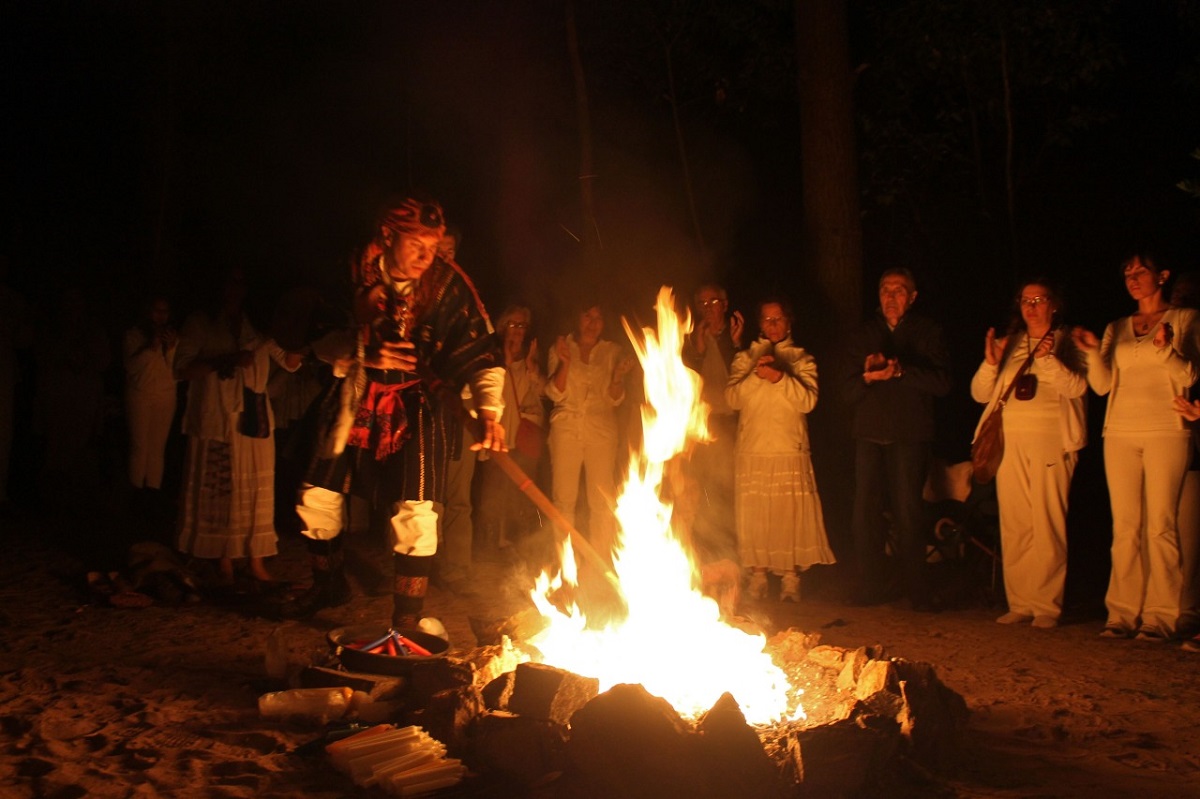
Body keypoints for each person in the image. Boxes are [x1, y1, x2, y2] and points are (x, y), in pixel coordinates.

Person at [285, 194, 505, 630]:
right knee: (317, 495)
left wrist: (489, 412)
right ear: (387, 236)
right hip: (354, 395)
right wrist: (362, 351)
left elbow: (481, 350)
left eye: (434, 245)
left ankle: (407, 618)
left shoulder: (447, 285)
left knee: (417, 508)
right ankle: (327, 585)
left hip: (416, 405)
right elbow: (313, 334)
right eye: (417, 244)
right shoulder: (350, 273)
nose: (429, 256)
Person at [1073, 252, 1199, 642]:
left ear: (1162, 276)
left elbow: (1190, 372)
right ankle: (1123, 613)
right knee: (1126, 526)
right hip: (1121, 431)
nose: (1132, 278)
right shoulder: (1118, 326)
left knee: (1160, 525)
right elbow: (1103, 384)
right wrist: (1093, 352)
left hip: (1166, 428)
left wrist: (1164, 349)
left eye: (1140, 271)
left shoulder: (1186, 319)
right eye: (1127, 272)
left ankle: (1161, 616)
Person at [970, 279, 1087, 629]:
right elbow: (980, 393)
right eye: (1025, 300)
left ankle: (1046, 605)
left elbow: (1079, 386)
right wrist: (991, 363)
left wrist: (1049, 360)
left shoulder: (1070, 340)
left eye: (1039, 299)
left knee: (1046, 521)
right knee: (1016, 522)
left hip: (1051, 441)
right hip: (1010, 441)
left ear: (1054, 304)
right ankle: (1020, 602)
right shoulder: (1013, 343)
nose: (1032, 306)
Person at [175, 269, 302, 586]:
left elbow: (290, 361)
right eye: (229, 284)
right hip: (217, 419)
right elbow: (182, 369)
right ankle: (225, 562)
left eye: (240, 285)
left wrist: (301, 331)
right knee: (222, 490)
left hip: (253, 419)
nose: (235, 291)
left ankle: (255, 561)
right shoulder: (201, 323)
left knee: (255, 491)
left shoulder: (257, 328)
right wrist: (227, 360)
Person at [844, 268, 952, 611]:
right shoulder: (864, 334)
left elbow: (943, 383)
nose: (891, 297)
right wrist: (868, 377)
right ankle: (871, 585)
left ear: (913, 297)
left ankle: (917, 589)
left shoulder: (928, 332)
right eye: (885, 290)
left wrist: (902, 371)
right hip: (869, 434)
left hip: (909, 434)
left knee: (908, 512)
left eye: (899, 290)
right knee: (865, 514)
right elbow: (845, 391)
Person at [726, 298, 835, 602]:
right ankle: (758, 576)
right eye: (766, 320)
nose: (772, 326)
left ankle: (790, 579)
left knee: (788, 516)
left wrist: (780, 377)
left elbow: (807, 402)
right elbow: (732, 399)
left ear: (789, 322)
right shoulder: (746, 358)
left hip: (789, 449)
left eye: (778, 319)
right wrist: (757, 376)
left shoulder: (802, 359)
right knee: (757, 516)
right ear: (759, 324)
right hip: (754, 451)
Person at [545, 300, 634, 563]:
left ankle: (600, 560)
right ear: (578, 318)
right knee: (564, 499)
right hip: (566, 426)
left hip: (601, 431)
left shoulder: (612, 352)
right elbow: (555, 392)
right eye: (587, 316)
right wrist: (564, 363)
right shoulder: (562, 346)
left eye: (598, 318)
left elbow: (615, 399)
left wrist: (617, 376)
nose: (593, 323)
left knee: (601, 502)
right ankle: (565, 561)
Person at [681, 283, 744, 566]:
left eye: (714, 302)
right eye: (702, 304)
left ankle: (730, 557)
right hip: (699, 424)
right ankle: (701, 557)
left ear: (725, 303)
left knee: (727, 489)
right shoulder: (687, 339)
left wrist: (733, 343)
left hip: (728, 421)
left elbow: (741, 377)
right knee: (698, 490)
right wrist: (697, 349)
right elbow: (681, 381)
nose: (708, 309)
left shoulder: (737, 337)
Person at [478, 304, 546, 553]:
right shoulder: (490, 355)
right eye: (512, 324)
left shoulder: (530, 359)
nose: (517, 331)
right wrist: (504, 360)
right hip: (497, 433)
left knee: (521, 493)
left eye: (522, 326)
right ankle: (489, 547)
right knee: (492, 493)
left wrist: (530, 368)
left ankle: (519, 548)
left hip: (522, 437)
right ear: (502, 326)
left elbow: (541, 393)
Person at [122, 295, 179, 494]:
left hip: (165, 396)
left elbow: (177, 371)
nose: (161, 316)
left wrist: (171, 348)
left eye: (165, 312)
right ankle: (135, 491)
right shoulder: (134, 335)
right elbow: (131, 367)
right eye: (157, 310)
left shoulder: (173, 338)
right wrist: (150, 348)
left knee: (157, 449)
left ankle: (152, 493)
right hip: (140, 395)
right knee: (140, 446)